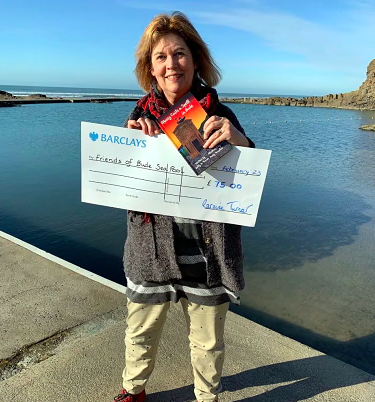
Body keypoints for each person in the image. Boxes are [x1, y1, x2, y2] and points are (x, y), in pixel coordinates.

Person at [113, 11, 255, 402]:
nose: (171, 64)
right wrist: (129, 150)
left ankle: (207, 397)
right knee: (139, 331)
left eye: (179, 54)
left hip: (208, 255)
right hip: (151, 252)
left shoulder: (219, 115)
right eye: (161, 57)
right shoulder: (138, 119)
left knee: (208, 343)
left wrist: (240, 140)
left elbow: (250, 180)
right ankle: (133, 389)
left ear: (195, 60)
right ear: (151, 69)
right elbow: (122, 185)